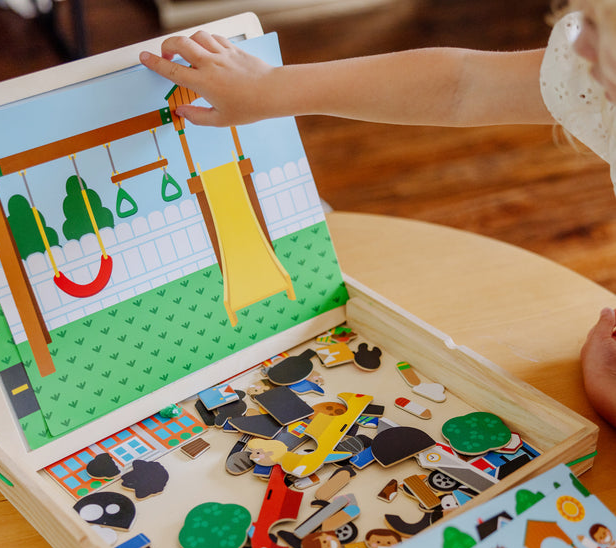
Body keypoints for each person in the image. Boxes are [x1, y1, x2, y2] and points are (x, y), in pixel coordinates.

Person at [138, 0, 616, 429]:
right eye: (586, 18)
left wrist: (606, 389)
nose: (581, 46)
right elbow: (462, 85)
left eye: (601, 28)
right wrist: (271, 87)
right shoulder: (596, 70)